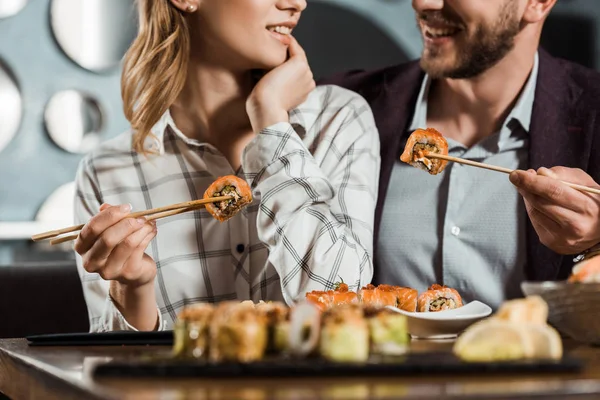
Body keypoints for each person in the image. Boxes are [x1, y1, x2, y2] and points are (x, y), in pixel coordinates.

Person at [73, 0, 380, 332]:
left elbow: (344, 306)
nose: (297, 3)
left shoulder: (337, 120)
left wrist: (271, 122)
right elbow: (111, 372)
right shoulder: (104, 172)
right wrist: (133, 290)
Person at [322, 0, 600, 309]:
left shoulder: (593, 114)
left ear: (537, 3)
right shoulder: (336, 109)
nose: (423, 3)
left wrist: (594, 244)